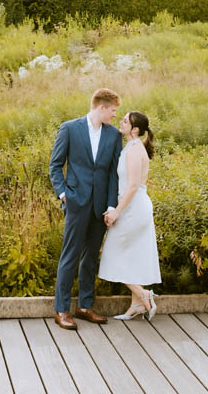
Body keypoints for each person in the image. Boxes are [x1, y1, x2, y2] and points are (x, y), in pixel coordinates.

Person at [48, 88, 124, 331]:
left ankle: (84, 306)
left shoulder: (113, 136)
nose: (114, 115)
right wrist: (63, 194)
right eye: (113, 110)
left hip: (100, 207)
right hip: (76, 202)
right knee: (69, 256)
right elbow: (55, 165)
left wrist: (111, 205)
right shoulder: (70, 128)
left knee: (91, 257)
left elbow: (113, 173)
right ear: (101, 107)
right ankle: (61, 310)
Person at [99, 111, 161, 321]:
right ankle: (136, 305)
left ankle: (144, 295)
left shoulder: (135, 150)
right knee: (131, 256)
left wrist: (116, 210)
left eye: (125, 121)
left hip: (134, 209)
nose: (120, 122)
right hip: (132, 207)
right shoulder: (131, 146)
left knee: (111, 255)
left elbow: (133, 185)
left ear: (135, 129)